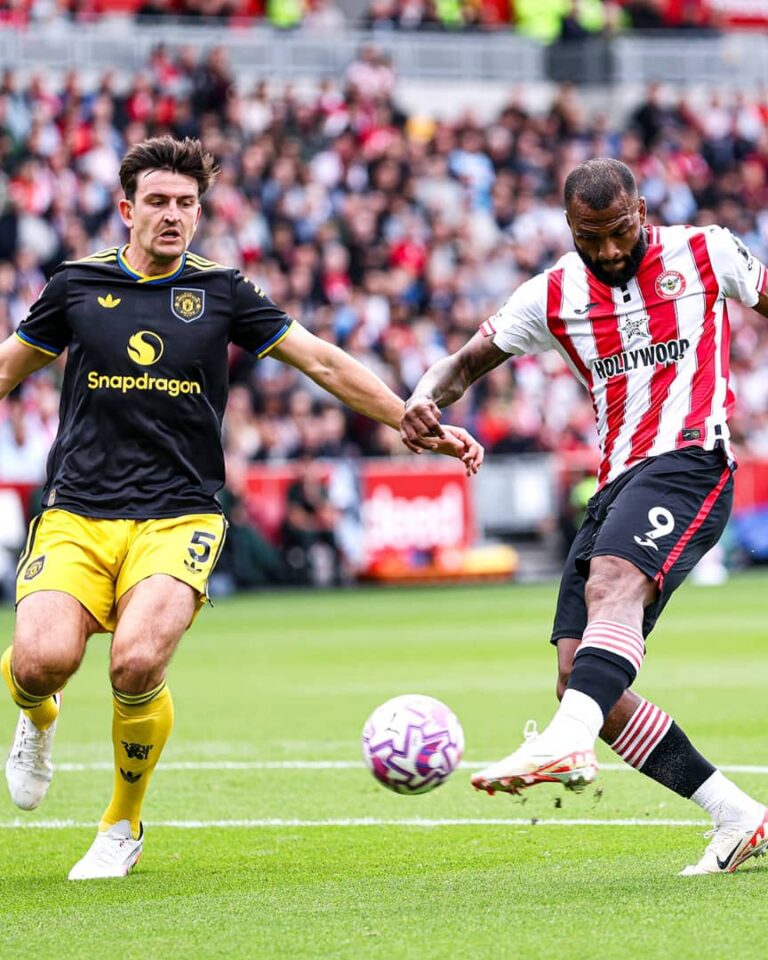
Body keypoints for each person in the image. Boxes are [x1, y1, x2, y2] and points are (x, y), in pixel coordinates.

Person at [0, 135, 483, 881]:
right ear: (127, 209)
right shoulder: (75, 286)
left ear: (200, 211)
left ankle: (121, 825)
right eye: (157, 202)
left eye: (185, 204)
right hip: (80, 511)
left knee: (134, 663)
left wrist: (406, 416)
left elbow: (320, 359)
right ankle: (37, 717)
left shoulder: (223, 291)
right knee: (40, 662)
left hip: (181, 512)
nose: (172, 216)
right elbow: (8, 367)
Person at [400, 157, 768, 876]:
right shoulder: (553, 293)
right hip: (616, 481)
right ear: (569, 226)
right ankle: (736, 814)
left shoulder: (706, 250)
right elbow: (466, 362)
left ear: (643, 210)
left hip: (691, 460)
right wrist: (423, 395)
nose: (606, 250)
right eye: (587, 236)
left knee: (614, 581)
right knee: (578, 677)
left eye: (619, 232)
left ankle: (566, 742)